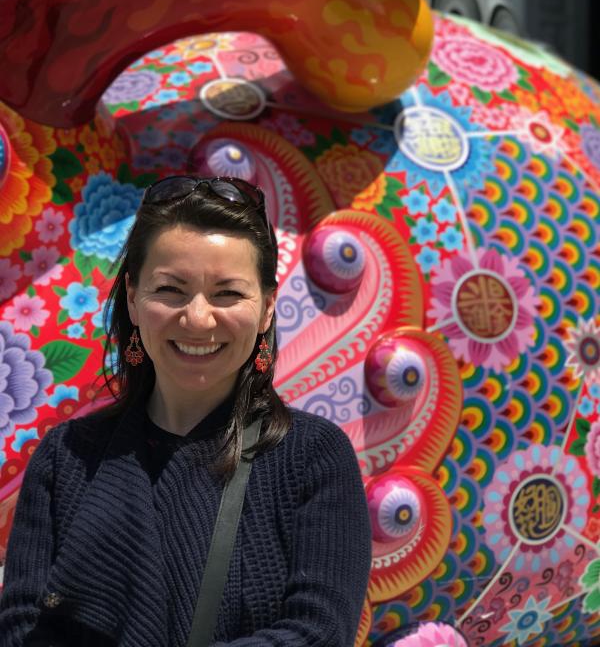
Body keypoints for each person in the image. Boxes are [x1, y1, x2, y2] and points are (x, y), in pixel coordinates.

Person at [0, 175, 372, 647]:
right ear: (133, 299)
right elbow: (21, 630)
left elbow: (318, 633)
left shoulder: (311, 457)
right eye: (171, 290)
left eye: (227, 293)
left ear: (267, 309)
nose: (198, 318)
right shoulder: (67, 457)